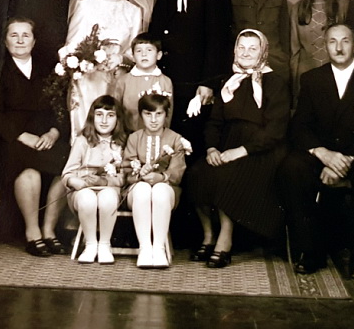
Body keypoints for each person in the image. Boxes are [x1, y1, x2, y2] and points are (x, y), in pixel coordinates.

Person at [277, 23, 354, 279]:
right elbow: (300, 126)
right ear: (325, 46)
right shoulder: (312, 79)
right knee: (291, 169)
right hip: (324, 152)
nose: (339, 47)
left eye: (345, 41)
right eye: (332, 42)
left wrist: (346, 160)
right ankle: (310, 250)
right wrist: (322, 153)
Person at [187, 29, 289, 268]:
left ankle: (225, 239)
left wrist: (241, 151)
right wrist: (212, 149)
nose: (246, 53)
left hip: (261, 149)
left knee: (228, 177)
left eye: (253, 48)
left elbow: (275, 130)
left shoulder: (275, 82)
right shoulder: (228, 82)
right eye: (241, 47)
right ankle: (209, 235)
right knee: (196, 173)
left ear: (263, 52)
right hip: (227, 145)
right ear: (234, 50)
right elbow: (215, 122)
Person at [149, 0, 232, 163]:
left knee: (190, 150)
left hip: (194, 82)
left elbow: (219, 37)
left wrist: (208, 82)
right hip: (163, 80)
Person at [0, 18, 70, 256]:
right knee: (30, 172)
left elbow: (60, 107)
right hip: (10, 141)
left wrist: (54, 132)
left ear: (34, 41)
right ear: (5, 41)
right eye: (14, 35)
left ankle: (49, 230)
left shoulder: (48, 70)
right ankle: (32, 232)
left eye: (26, 35)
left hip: (45, 137)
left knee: (68, 168)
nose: (20, 40)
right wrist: (22, 136)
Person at [61, 0, 154, 140]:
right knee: (87, 133)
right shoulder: (85, 6)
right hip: (88, 82)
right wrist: (86, 61)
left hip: (118, 81)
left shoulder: (134, 11)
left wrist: (120, 59)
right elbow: (72, 45)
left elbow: (136, 51)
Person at [123, 93, 188, 268]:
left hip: (166, 190)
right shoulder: (134, 138)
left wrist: (162, 177)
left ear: (166, 115)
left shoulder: (175, 139)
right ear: (141, 115)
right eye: (148, 114)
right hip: (137, 191)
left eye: (159, 114)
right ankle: (145, 248)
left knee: (159, 190)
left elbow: (177, 171)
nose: (153, 120)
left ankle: (158, 248)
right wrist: (139, 173)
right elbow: (127, 170)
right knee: (143, 190)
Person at [62, 95, 128, 264]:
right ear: (92, 117)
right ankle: (90, 244)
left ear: (118, 119)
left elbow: (124, 178)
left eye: (110, 115)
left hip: (109, 189)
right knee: (87, 198)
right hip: (82, 191)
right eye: (99, 115)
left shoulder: (121, 143)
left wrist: (104, 182)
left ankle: (104, 244)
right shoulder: (82, 141)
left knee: (107, 197)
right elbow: (67, 174)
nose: (104, 121)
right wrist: (74, 181)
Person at [290, 0, 349, 104]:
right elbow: (294, 51)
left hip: (338, 76)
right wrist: (295, 88)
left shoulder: (343, 5)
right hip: (306, 76)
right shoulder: (297, 9)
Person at [113, 33, 174, 132]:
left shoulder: (166, 81)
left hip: (156, 136)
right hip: (128, 135)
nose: (144, 54)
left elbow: (168, 114)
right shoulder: (123, 81)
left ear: (159, 55)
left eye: (149, 50)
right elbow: (116, 110)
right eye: (139, 51)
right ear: (133, 57)